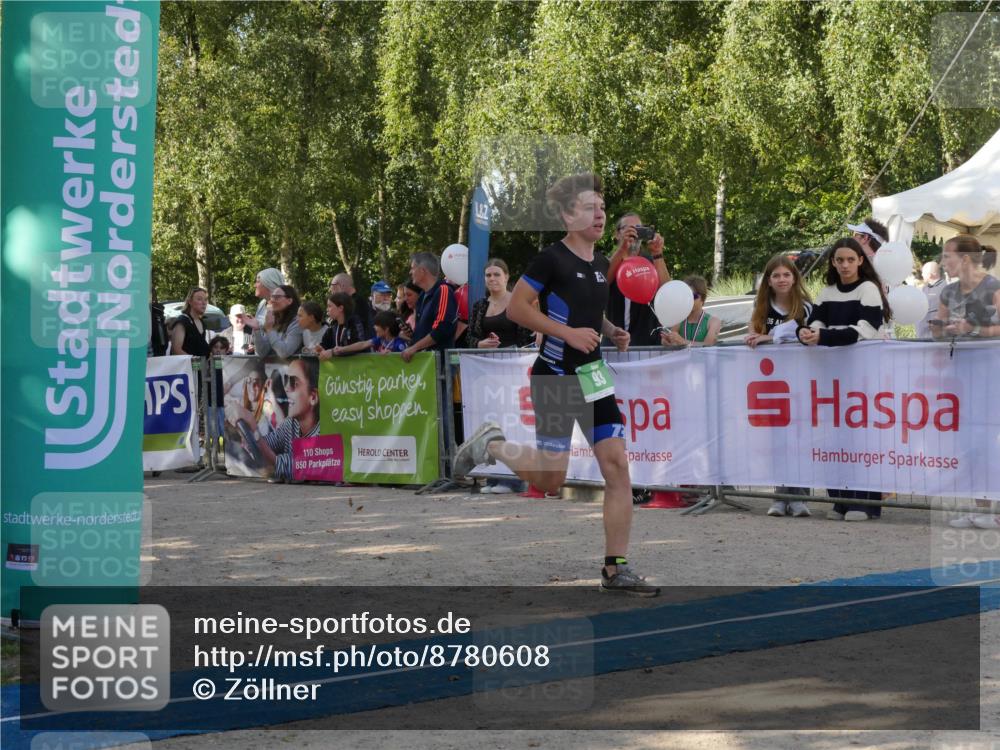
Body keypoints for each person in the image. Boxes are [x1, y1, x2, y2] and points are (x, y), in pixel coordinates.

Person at [452, 173, 658, 597]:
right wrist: (566, 335)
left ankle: (615, 569)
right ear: (567, 215)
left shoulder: (601, 265)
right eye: (589, 207)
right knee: (550, 480)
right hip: (558, 377)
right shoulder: (550, 259)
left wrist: (609, 328)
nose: (599, 213)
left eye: (601, 207)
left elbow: (587, 312)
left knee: (618, 467)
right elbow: (518, 312)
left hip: (593, 376)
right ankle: (492, 444)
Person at [798, 237, 891, 522]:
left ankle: (864, 503)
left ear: (861, 261)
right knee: (833, 438)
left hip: (862, 375)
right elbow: (815, 322)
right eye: (840, 260)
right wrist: (806, 334)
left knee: (861, 438)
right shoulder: (826, 291)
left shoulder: (869, 290)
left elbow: (864, 329)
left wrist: (823, 336)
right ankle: (839, 500)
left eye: (851, 259)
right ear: (833, 262)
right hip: (831, 376)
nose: (845, 265)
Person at [744, 255, 814, 518]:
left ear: (794, 278)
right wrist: (755, 336)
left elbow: (796, 332)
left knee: (800, 438)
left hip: (800, 380)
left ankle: (799, 497)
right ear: (769, 281)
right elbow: (752, 331)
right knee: (777, 439)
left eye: (786, 275)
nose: (782, 280)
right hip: (771, 383)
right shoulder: (761, 306)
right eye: (776, 276)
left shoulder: (805, 306)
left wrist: (767, 337)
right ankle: (779, 494)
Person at [231, 357, 320, 482]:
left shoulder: (322, 433)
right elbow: (268, 443)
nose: (287, 388)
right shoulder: (291, 423)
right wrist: (244, 433)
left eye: (294, 382)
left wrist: (254, 430)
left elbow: (284, 466)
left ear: (313, 397)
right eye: (286, 380)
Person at [606, 212, 670, 345]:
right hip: (614, 343)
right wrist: (623, 249)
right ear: (617, 234)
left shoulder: (651, 262)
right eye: (628, 229)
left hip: (648, 343)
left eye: (638, 228)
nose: (633, 233)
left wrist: (657, 253)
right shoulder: (609, 262)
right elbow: (602, 283)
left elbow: (667, 293)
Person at [932, 236, 1000, 341]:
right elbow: (938, 335)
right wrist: (937, 329)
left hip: (989, 356)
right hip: (956, 356)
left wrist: (972, 329)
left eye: (946, 257)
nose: (941, 263)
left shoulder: (994, 287)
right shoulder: (948, 291)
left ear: (965, 259)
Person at [400, 252, 458, 363]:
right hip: (424, 366)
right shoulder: (422, 296)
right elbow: (426, 331)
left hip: (439, 366)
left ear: (422, 270)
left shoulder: (443, 290)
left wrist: (414, 348)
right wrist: (412, 336)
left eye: (412, 268)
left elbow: (442, 329)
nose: (410, 272)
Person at [465, 258, 534, 350]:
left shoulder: (518, 302)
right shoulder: (478, 305)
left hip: (514, 360)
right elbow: (469, 336)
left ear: (506, 277)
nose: (492, 278)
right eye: (488, 275)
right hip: (485, 360)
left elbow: (530, 336)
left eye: (497, 274)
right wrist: (479, 344)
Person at [661, 276, 722, 347]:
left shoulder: (713, 322)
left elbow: (708, 345)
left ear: (703, 298)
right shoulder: (679, 320)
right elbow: (674, 344)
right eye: (686, 296)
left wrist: (683, 341)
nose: (689, 300)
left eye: (693, 296)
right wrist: (668, 342)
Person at [252, 284, 302, 361]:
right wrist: (257, 330)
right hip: (274, 370)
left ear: (289, 301)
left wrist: (269, 329)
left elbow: (284, 352)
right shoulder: (273, 321)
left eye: (277, 297)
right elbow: (262, 353)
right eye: (272, 296)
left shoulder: (297, 322)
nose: (272, 300)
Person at [242, 268, 286, 350]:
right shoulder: (262, 304)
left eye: (258, 281)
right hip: (262, 355)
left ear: (268, 283)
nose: (254, 285)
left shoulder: (283, 306)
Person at [332, 310, 408, 355]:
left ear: (386, 329)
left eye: (377, 325)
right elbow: (362, 344)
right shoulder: (379, 339)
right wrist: (342, 349)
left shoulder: (399, 344)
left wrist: (392, 355)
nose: (374, 327)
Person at [316, 292, 365, 359]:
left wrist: (333, 352)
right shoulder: (332, 327)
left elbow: (360, 344)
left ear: (340, 308)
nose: (327, 309)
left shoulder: (354, 322)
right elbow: (324, 345)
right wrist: (319, 348)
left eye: (329, 306)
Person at [329, 272, 374, 339]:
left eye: (333, 286)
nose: (331, 290)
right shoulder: (356, 302)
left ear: (342, 286)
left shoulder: (357, 303)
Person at [170, 287, 211, 357]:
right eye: (199, 299)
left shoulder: (201, 322)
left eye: (205, 299)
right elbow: (176, 350)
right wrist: (196, 362)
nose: (204, 303)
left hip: (202, 366)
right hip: (186, 366)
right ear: (190, 302)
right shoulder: (182, 321)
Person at [206, 335, 231, 442]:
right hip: (211, 401)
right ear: (211, 348)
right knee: (212, 429)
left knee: (222, 429)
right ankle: (213, 448)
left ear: (226, 350)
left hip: (223, 401)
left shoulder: (229, 363)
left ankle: (223, 450)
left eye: (221, 348)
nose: (218, 350)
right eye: (216, 347)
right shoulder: (207, 362)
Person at [915, 261, 946, 339]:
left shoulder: (946, 288)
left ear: (931, 274)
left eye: (924, 272)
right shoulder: (923, 289)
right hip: (922, 337)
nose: (922, 275)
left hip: (938, 339)